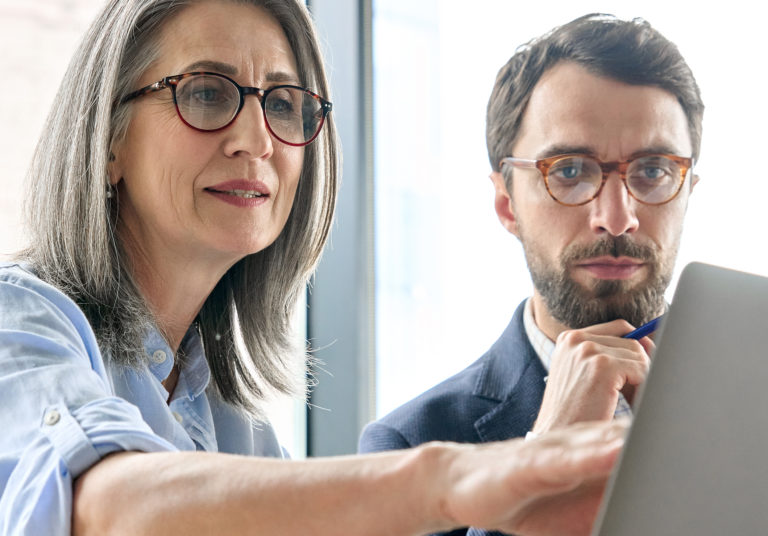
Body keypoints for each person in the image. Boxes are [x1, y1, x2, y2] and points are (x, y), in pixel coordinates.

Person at [0, 1, 628, 534]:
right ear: (109, 139)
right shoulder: (19, 320)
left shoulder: (236, 430)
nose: (257, 140)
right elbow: (100, 505)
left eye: (282, 103)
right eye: (208, 93)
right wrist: (458, 476)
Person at [360, 12, 704, 535]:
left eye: (653, 171)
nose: (616, 218)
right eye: (569, 171)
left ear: (688, 192)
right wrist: (539, 462)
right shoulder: (409, 446)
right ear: (506, 204)